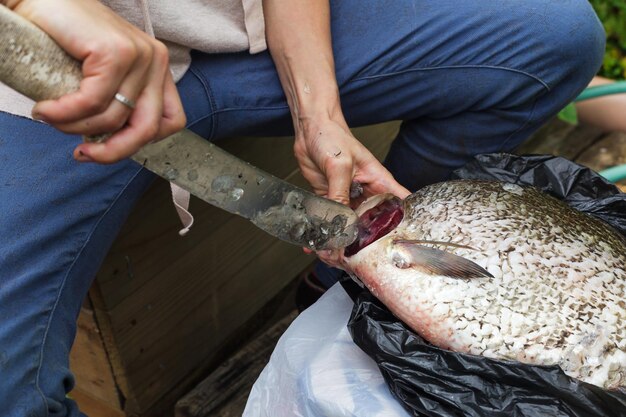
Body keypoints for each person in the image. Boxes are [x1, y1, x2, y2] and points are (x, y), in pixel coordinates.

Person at [0, 0, 605, 415]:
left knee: (553, 36)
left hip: (243, 41)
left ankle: (346, 283)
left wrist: (320, 115)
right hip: (40, 92)